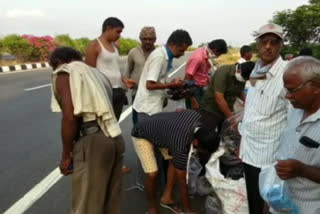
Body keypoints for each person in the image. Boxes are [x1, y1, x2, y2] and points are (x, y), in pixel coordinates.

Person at [49, 47, 124, 214]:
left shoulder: (65, 72)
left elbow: (69, 117)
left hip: (93, 143)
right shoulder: (97, 74)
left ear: (58, 62)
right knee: (110, 202)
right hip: (114, 138)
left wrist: (66, 155)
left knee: (86, 206)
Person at [239, 23, 289, 214]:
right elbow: (251, 109)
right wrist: (242, 143)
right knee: (254, 200)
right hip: (249, 151)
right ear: (257, 44)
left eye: (273, 42)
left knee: (271, 203)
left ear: (280, 46)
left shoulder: (287, 74)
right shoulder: (256, 69)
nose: (268, 46)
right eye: (264, 41)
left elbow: (295, 121)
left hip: (270, 157)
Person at [131, 110, 220, 214]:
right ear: (196, 142)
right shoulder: (180, 143)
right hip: (141, 133)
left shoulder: (198, 116)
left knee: (175, 162)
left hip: (162, 129)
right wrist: (188, 210)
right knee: (152, 174)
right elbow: (182, 181)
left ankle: (166, 198)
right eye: (202, 151)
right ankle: (152, 207)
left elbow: (179, 111)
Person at [272, 56, 320, 214]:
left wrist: (302, 170)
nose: (287, 96)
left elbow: (299, 169)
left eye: (292, 90)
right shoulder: (295, 110)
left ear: (315, 87)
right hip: (281, 201)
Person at [133, 29, 193, 121]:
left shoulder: (165, 55)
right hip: (147, 108)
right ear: (173, 44)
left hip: (151, 105)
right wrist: (172, 85)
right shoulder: (160, 56)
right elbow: (149, 85)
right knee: (146, 133)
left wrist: (170, 83)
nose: (182, 54)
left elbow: (157, 80)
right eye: (181, 50)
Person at [85, 17, 136, 120]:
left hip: (118, 91)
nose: (119, 35)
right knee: (105, 124)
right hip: (104, 92)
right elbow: (89, 73)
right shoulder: (94, 45)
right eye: (117, 32)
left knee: (115, 123)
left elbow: (114, 68)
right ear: (108, 29)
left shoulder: (114, 47)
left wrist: (124, 80)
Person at [200, 61, 255, 131]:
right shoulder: (223, 72)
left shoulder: (243, 76)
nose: (245, 80)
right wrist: (231, 119)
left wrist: (247, 101)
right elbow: (219, 98)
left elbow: (239, 91)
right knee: (207, 134)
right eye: (244, 78)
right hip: (211, 109)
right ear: (238, 70)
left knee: (224, 132)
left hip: (226, 109)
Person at [124, 26, 156, 124]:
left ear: (155, 40)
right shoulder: (133, 52)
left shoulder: (158, 53)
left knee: (153, 122)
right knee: (137, 122)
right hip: (137, 93)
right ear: (140, 39)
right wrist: (125, 88)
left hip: (154, 94)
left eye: (150, 39)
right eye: (144, 39)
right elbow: (127, 72)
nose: (147, 41)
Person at [184, 39, 228, 109]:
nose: (218, 57)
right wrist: (193, 99)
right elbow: (186, 80)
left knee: (202, 111)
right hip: (193, 90)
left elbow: (204, 72)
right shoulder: (198, 58)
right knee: (194, 114)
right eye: (218, 54)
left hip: (201, 88)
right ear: (215, 50)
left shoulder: (206, 55)